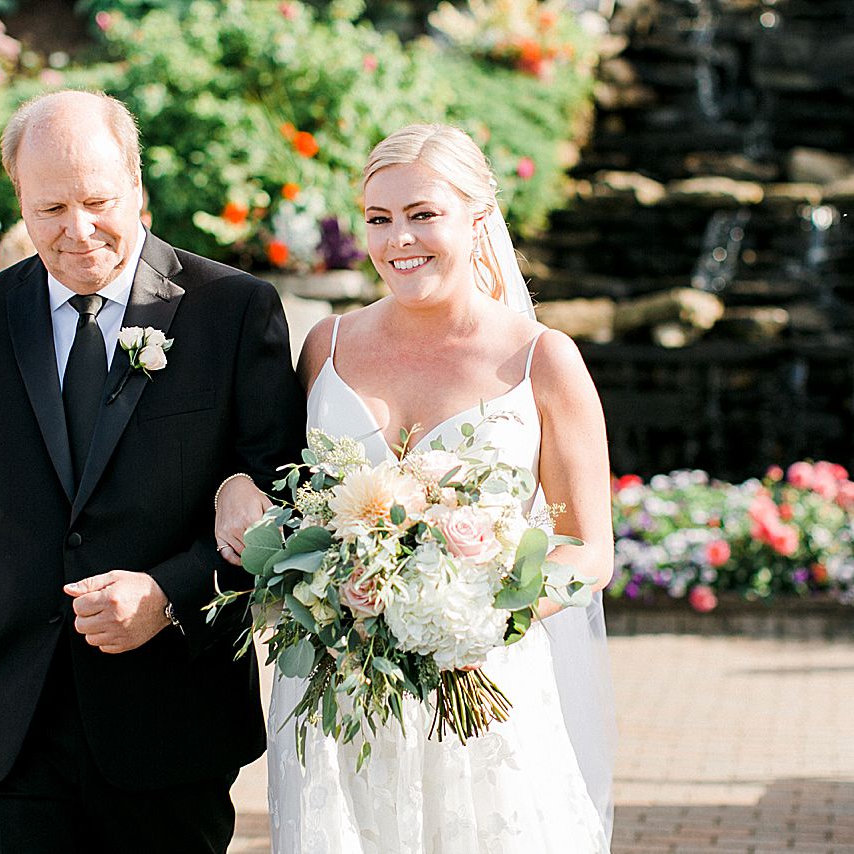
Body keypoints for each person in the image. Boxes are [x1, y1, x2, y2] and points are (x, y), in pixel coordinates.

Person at [0, 90, 305, 854]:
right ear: (18, 201)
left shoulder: (233, 310)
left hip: (168, 721)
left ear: (138, 188)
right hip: (8, 725)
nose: (78, 231)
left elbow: (284, 506)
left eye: (98, 201)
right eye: (50, 207)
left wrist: (168, 593)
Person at [215, 124, 617, 851]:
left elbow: (589, 550)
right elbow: (284, 491)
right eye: (379, 218)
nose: (399, 238)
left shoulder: (542, 361)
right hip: (339, 698)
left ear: (478, 217)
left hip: (483, 690)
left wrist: (479, 613)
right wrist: (237, 492)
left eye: (423, 213)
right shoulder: (325, 347)